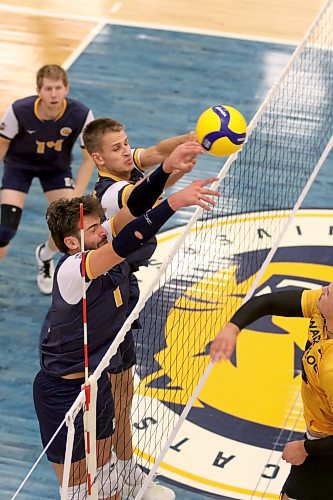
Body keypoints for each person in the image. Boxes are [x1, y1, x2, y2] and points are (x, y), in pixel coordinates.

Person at [34, 141, 219, 499]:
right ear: (72, 243)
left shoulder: (95, 240)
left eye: (101, 223)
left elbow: (134, 208)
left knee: (106, 483)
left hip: (96, 380)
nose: (103, 230)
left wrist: (167, 170)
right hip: (62, 391)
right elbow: (127, 241)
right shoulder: (73, 270)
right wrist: (174, 203)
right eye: (93, 230)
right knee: (77, 491)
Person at [83, 117, 200, 498]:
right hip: (104, 300)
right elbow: (138, 200)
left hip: (122, 292)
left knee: (124, 392)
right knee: (113, 397)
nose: (126, 151)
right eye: (117, 148)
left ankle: (126, 470)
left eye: (125, 143)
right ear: (97, 157)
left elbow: (153, 153)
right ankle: (114, 479)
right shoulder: (108, 192)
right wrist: (171, 172)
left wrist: (186, 140)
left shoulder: (124, 164)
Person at [210, 284, 333, 500]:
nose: (325, 288)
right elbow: (268, 302)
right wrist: (232, 327)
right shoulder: (321, 306)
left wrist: (305, 448)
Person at [0, 64, 95, 294]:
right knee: (5, 228)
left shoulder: (81, 114)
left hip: (55, 168)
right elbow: (2, 144)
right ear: (38, 91)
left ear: (67, 88)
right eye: (48, 89)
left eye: (58, 88)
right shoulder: (18, 110)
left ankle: (44, 255)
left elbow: (89, 158)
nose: (53, 94)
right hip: (19, 166)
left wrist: (77, 193)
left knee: (68, 225)